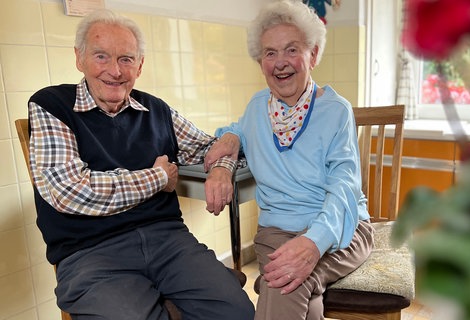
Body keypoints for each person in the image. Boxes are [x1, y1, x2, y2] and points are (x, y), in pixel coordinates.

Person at [27, 9, 254, 320]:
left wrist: (220, 167)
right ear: (79, 58)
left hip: (168, 241)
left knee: (236, 311)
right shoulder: (51, 105)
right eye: (101, 56)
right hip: (91, 254)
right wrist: (158, 178)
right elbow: (70, 191)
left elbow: (216, 148)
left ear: (140, 65)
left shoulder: (156, 110)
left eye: (126, 59)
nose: (115, 71)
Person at [209, 1, 374, 319]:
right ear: (260, 61)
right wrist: (226, 150)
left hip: (341, 227)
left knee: (281, 282)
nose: (280, 62)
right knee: (288, 282)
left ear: (313, 55)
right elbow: (234, 132)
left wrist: (314, 242)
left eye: (291, 50)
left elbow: (345, 186)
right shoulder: (257, 108)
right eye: (270, 53)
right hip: (277, 231)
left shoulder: (336, 111)